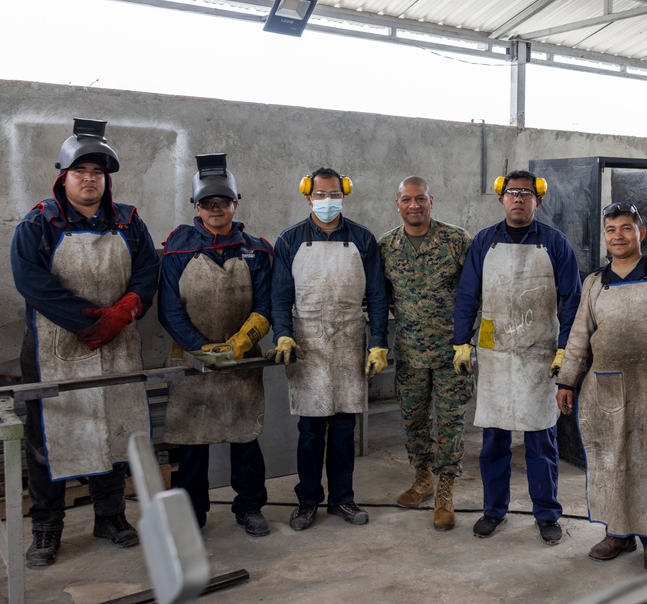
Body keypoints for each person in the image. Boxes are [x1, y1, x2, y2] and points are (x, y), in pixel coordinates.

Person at [10, 118, 159, 568]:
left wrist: (127, 308)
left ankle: (110, 517)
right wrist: (89, 320)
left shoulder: (129, 221)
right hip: (55, 351)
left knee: (114, 432)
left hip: (117, 348)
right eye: (81, 172)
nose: (90, 179)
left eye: (97, 173)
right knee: (48, 441)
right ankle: (46, 528)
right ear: (64, 176)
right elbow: (31, 283)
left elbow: (148, 272)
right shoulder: (38, 223)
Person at [557, 201, 647, 570]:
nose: (618, 236)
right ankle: (616, 534)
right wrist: (567, 380)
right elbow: (578, 336)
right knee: (609, 463)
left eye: (625, 229)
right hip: (604, 391)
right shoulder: (594, 283)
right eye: (611, 230)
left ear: (640, 233)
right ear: (606, 237)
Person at [453, 170, 582, 545]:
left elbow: (572, 299)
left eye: (527, 194)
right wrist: (462, 341)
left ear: (538, 201)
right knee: (494, 439)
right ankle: (494, 510)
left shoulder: (555, 243)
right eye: (512, 193)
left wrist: (565, 348)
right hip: (494, 354)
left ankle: (546, 513)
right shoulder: (484, 242)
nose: (519, 199)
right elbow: (467, 295)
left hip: (539, 355)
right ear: (501, 199)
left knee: (541, 439)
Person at [269, 167, 389, 531]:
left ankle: (342, 499)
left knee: (342, 428)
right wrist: (284, 335)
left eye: (333, 194)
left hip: (350, 340)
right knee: (310, 431)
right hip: (308, 345)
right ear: (308, 197)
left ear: (344, 194)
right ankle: (307, 501)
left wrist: (379, 342)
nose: (327, 201)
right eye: (320, 195)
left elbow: (378, 296)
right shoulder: (289, 240)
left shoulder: (363, 240)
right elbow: (280, 296)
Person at [158, 153, 272, 536]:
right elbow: (169, 311)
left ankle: (250, 507)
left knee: (244, 438)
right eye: (207, 203)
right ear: (197, 207)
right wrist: (199, 347)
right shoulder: (177, 249)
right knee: (193, 441)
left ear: (235, 204)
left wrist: (240, 344)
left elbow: (266, 305)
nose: (216, 208)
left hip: (243, 363)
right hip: (192, 363)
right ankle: (192, 514)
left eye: (223, 201)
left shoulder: (257, 250)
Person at [379, 177, 472, 531]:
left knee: (450, 424)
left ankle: (446, 492)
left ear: (432, 201)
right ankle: (423, 480)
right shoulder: (386, 245)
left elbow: (476, 291)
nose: (413, 205)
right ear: (397, 203)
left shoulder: (456, 241)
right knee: (414, 421)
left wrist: (472, 340)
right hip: (410, 354)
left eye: (420, 198)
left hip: (453, 354)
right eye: (406, 199)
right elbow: (380, 297)